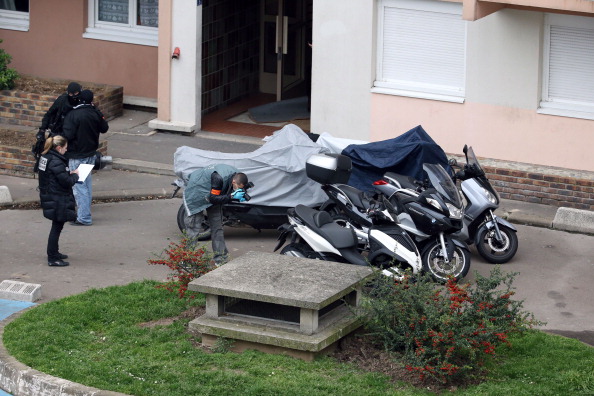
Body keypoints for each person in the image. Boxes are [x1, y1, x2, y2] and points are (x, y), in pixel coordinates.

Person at [183, 164, 249, 266]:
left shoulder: (237, 176)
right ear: (234, 182)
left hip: (213, 193)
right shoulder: (219, 178)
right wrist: (231, 196)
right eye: (237, 188)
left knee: (217, 227)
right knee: (193, 227)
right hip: (197, 191)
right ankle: (186, 260)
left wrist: (241, 194)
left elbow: (216, 197)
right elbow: (213, 198)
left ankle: (221, 259)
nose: (237, 190)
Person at [62, 89, 109, 226]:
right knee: (86, 185)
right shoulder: (95, 113)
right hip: (90, 154)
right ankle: (84, 213)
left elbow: (68, 135)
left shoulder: (73, 115)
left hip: (77, 156)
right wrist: (98, 111)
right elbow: (104, 128)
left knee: (79, 187)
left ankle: (84, 218)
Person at [37, 134, 80, 267]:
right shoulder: (56, 161)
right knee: (56, 227)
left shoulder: (46, 157)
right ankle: (53, 258)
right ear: (59, 147)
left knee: (57, 226)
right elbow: (66, 182)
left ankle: (54, 253)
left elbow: (54, 177)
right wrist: (76, 176)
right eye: (65, 148)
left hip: (50, 195)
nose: (66, 150)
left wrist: (68, 173)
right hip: (57, 198)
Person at [33, 82, 81, 172]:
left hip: (73, 135)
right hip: (58, 132)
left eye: (76, 94)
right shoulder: (62, 100)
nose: (74, 96)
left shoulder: (82, 102)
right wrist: (42, 130)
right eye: (71, 94)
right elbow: (49, 114)